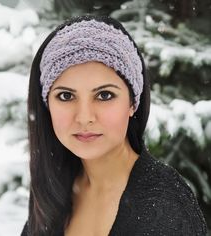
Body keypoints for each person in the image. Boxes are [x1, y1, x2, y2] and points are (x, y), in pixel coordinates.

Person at [21, 14, 208, 236]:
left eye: (104, 95)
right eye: (65, 96)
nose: (84, 117)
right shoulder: (53, 190)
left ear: (132, 103)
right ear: (47, 105)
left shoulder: (164, 203)